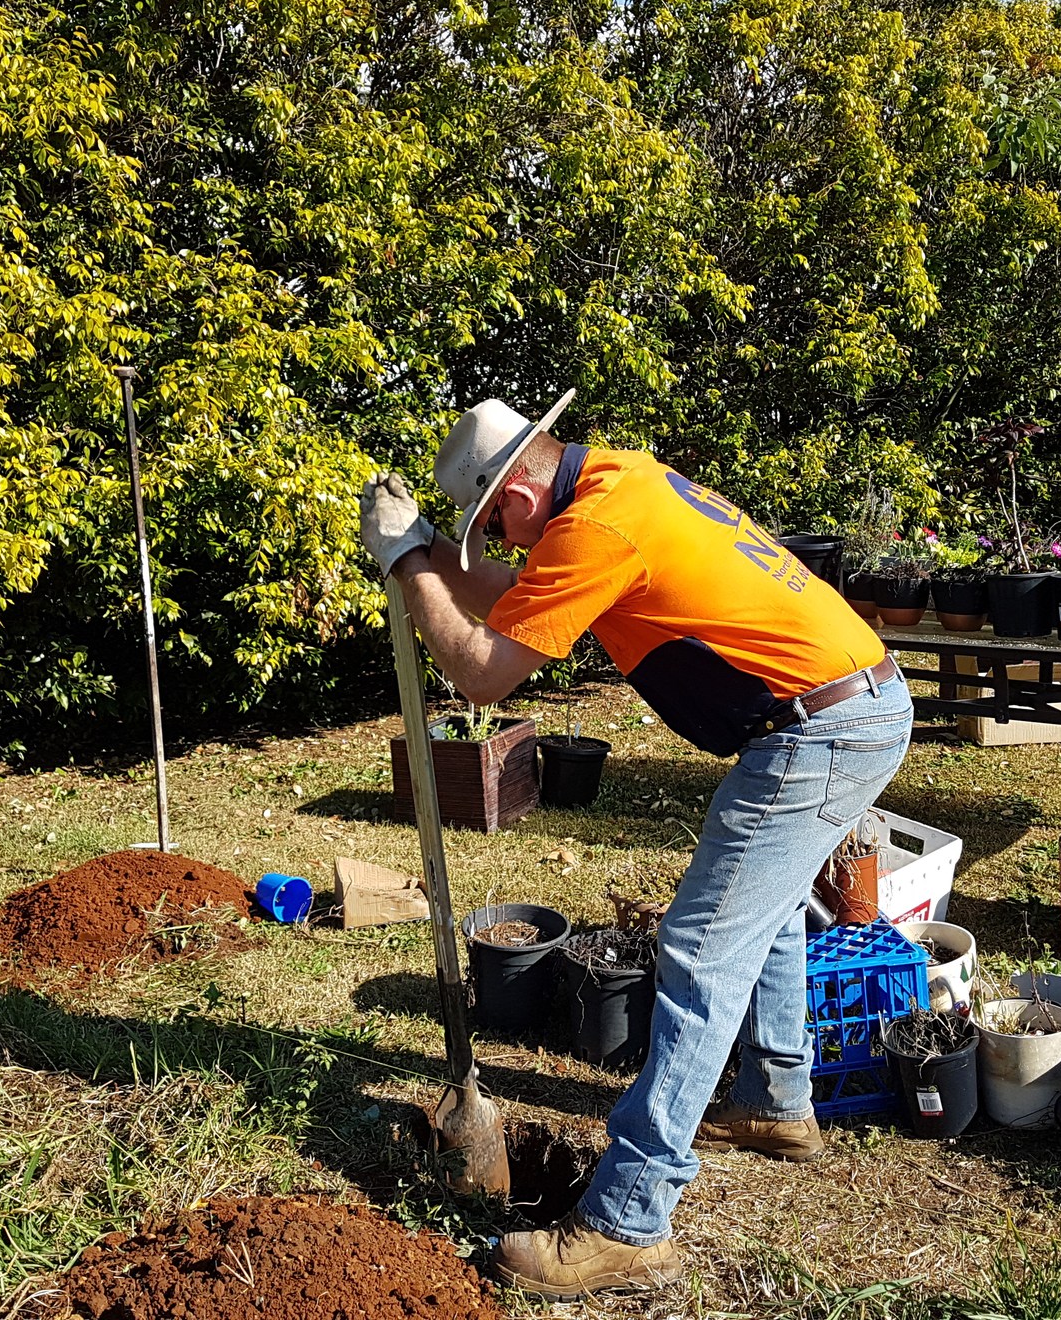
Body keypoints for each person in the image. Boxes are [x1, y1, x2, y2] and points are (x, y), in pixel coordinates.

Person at [359, 389, 912, 1300]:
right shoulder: (619, 484)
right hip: (844, 707)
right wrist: (425, 557)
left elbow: (480, 671)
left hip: (822, 730)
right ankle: (777, 1103)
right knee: (757, 910)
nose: (499, 547)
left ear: (520, 500)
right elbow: (508, 597)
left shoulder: (594, 528)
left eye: (495, 527)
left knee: (699, 948)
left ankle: (630, 1219)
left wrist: (410, 562)